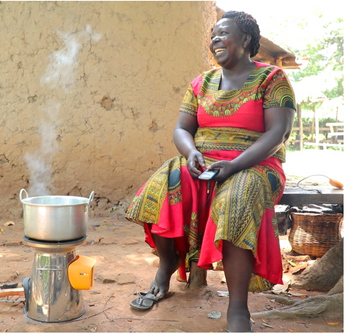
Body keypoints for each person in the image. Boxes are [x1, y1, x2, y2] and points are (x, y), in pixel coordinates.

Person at [124, 10, 295, 332]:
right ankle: (167, 266)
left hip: (255, 164)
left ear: (245, 39)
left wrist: (234, 165)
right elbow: (181, 129)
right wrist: (190, 154)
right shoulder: (200, 83)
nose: (215, 39)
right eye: (212, 35)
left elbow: (278, 134)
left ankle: (238, 310)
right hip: (203, 160)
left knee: (236, 201)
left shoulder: (272, 79)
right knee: (165, 183)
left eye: (223, 33)